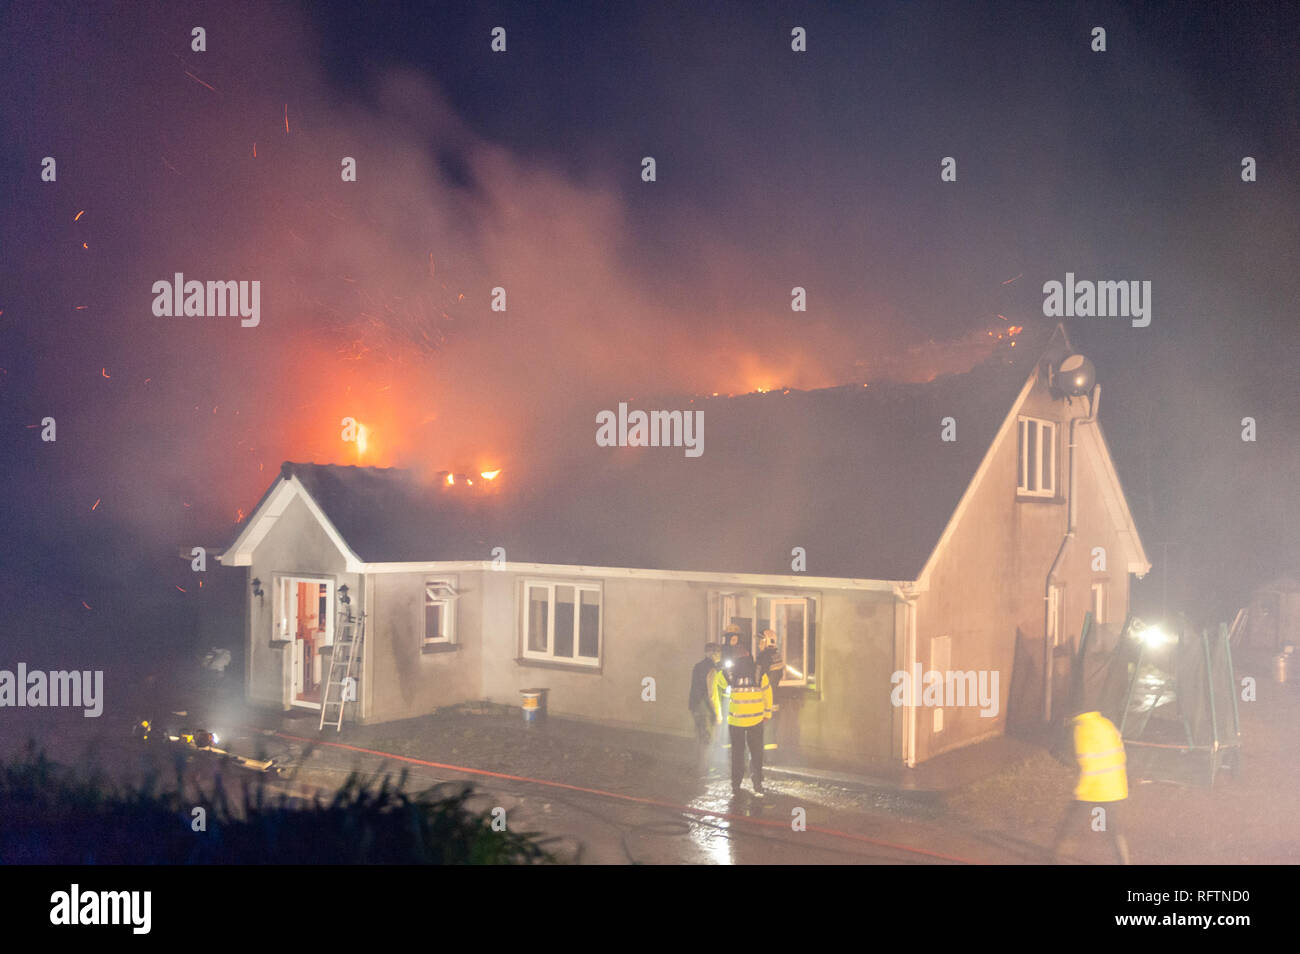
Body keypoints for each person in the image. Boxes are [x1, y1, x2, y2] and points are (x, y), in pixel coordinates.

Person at [1051, 709, 1131, 864]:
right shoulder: (1107, 723)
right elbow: (1121, 753)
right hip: (1114, 787)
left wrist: (1080, 790)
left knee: (1069, 825)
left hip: (1093, 789)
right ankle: (1125, 862)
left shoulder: (1081, 730)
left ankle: (1055, 859)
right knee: (1114, 830)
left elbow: (1089, 764)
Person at [724, 641, 773, 796]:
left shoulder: (729, 672)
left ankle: (736, 784)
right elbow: (767, 693)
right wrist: (767, 713)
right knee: (756, 752)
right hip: (756, 720)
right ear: (748, 655)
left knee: (737, 753)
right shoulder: (758, 671)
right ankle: (757, 783)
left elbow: (714, 682)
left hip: (736, 721)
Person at [688, 643, 723, 776]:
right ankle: (703, 769)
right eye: (718, 652)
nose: (720, 655)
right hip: (706, 709)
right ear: (713, 653)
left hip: (695, 706)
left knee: (699, 737)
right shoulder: (712, 669)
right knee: (707, 740)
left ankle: (697, 765)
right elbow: (711, 693)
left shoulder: (698, 666)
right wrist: (718, 713)